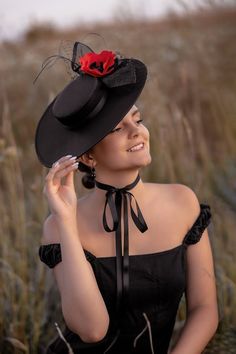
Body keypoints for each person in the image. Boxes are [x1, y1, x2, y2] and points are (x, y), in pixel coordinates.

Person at [35, 41, 219, 354]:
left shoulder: (182, 202)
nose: (137, 132)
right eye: (117, 128)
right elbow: (92, 331)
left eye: (138, 119)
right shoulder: (59, 225)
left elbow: (205, 309)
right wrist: (66, 221)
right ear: (89, 156)